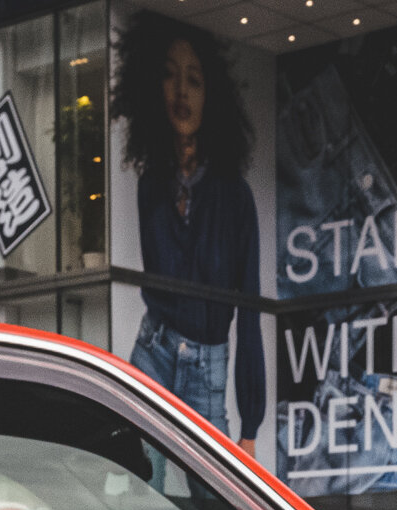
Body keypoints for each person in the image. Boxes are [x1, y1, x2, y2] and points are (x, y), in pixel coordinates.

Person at [115, 18, 265, 447]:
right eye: (168, 75)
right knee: (134, 479)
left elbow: (250, 309)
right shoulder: (152, 186)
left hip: (207, 364)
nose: (181, 91)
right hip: (155, 347)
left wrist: (250, 424)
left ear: (211, 95)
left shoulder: (234, 197)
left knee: (214, 499)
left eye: (194, 80)